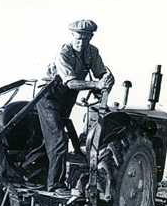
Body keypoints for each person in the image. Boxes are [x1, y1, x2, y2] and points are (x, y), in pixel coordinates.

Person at [37, 19, 114, 195]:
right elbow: (71, 83)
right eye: (78, 39)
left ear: (91, 38)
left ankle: (44, 180)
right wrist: (96, 85)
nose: (81, 43)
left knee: (53, 141)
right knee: (58, 140)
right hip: (49, 98)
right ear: (72, 36)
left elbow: (101, 73)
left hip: (66, 101)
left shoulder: (92, 53)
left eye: (86, 39)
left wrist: (107, 80)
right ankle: (56, 187)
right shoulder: (63, 54)